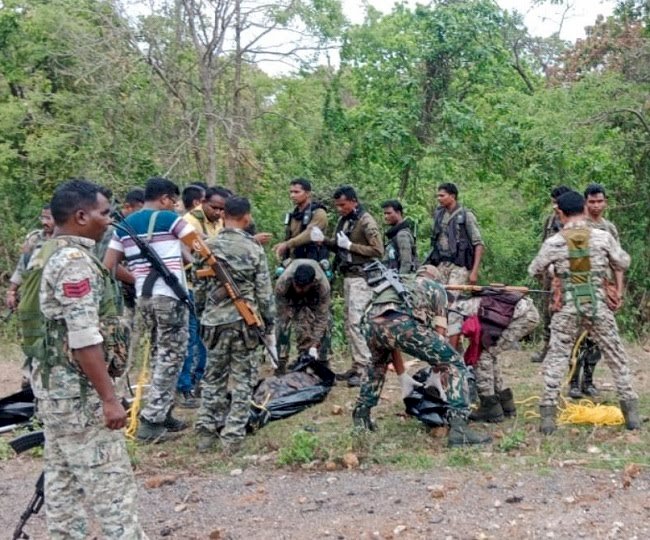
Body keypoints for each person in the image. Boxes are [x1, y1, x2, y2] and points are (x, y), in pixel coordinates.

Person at [32, 179, 147, 538]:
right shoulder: (74, 263)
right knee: (112, 491)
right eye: (103, 213)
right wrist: (109, 399)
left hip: (53, 392)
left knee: (63, 484)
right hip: (80, 398)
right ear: (81, 216)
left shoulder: (44, 253)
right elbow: (83, 338)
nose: (109, 221)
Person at [528, 190, 639, 433]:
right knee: (616, 356)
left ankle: (547, 418)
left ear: (560, 213)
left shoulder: (555, 241)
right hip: (597, 304)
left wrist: (554, 273)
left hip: (568, 305)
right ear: (584, 208)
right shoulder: (602, 237)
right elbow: (623, 262)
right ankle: (632, 415)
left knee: (557, 356)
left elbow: (535, 269)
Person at [355, 264, 491, 447]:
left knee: (377, 364)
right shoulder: (436, 288)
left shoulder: (399, 281)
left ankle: (361, 418)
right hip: (400, 324)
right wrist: (437, 371)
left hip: (370, 324)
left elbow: (391, 339)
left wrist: (402, 375)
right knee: (453, 362)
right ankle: (459, 427)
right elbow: (440, 332)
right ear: (436, 278)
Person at [104, 176, 195, 442]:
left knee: (158, 353)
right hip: (170, 297)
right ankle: (151, 422)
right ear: (165, 198)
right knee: (172, 355)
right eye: (174, 201)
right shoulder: (171, 220)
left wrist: (136, 277)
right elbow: (196, 249)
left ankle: (163, 411)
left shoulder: (124, 225)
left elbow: (109, 263)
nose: (175, 206)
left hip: (144, 299)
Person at [195, 196, 275, 455]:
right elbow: (264, 293)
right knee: (243, 382)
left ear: (223, 215)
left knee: (213, 379)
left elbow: (198, 288)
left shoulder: (208, 245)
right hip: (245, 323)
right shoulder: (253, 249)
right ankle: (232, 438)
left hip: (214, 324)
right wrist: (268, 322)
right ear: (247, 217)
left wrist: (201, 314)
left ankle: (205, 435)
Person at [566, 183, 624, 398]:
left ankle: (588, 381)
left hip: (604, 290)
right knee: (578, 337)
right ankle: (573, 381)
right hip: (582, 288)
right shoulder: (577, 226)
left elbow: (617, 261)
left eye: (600, 201)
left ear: (605, 202)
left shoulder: (609, 228)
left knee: (597, 340)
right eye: (592, 201)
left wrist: (618, 289)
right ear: (585, 203)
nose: (596, 205)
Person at [324, 185, 384, 387]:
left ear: (353, 201)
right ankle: (357, 365)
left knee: (356, 322)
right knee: (350, 322)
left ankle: (366, 367)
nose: (339, 209)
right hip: (348, 275)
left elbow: (377, 250)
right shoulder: (344, 221)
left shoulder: (366, 221)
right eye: (337, 206)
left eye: (342, 204)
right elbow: (337, 245)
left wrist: (351, 246)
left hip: (363, 277)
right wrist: (324, 241)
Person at [448, 292, 540, 422]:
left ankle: (490, 407)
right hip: (525, 311)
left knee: (482, 357)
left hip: (523, 316)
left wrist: (449, 365)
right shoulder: (465, 300)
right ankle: (505, 404)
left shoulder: (454, 310)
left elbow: (452, 347)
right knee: (490, 353)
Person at [531, 185, 571, 363]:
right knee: (548, 312)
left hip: (567, 275)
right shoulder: (549, 221)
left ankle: (565, 350)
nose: (554, 207)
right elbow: (543, 246)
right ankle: (547, 347)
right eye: (553, 203)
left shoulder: (573, 222)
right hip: (549, 275)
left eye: (557, 203)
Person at [275, 259, 331, 371]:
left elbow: (322, 318)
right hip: (290, 297)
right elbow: (280, 314)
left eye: (303, 287)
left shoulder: (322, 286)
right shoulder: (283, 283)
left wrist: (314, 345)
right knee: (282, 326)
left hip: (313, 297)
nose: (299, 290)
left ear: (312, 283)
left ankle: (320, 361)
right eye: (297, 286)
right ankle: (280, 362)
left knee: (327, 323)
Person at [426, 182, 484, 285]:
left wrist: (474, 272)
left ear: (452, 196)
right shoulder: (439, 215)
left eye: (442, 196)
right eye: (438, 196)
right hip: (442, 264)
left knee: (452, 297)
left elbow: (478, 244)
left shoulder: (466, 215)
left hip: (460, 266)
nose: (439, 198)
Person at [6, 205, 55, 311]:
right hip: (33, 296)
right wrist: (11, 292)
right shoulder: (34, 239)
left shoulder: (66, 241)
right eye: (42, 218)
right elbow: (22, 266)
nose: (44, 222)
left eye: (48, 218)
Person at [273, 178, 329, 262]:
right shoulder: (294, 214)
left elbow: (309, 233)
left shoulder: (318, 213)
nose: (292, 195)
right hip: (293, 260)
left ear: (307, 193)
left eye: (296, 192)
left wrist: (287, 244)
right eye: (291, 192)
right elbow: (289, 236)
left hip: (312, 262)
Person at [381, 199, 418, 274]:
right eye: (385, 213)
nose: (386, 216)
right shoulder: (394, 234)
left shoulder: (402, 235)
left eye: (389, 213)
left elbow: (406, 263)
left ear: (398, 213)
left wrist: (400, 280)